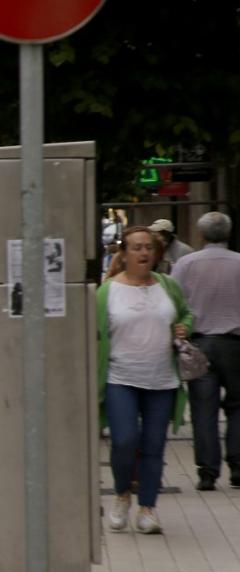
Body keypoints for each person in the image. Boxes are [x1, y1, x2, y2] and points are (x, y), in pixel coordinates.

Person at [98, 226, 193, 535]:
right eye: (136, 248)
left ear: (156, 254)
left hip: (161, 380)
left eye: (148, 248)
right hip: (120, 378)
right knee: (125, 441)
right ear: (123, 254)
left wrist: (183, 328)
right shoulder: (107, 290)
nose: (143, 253)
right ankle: (123, 494)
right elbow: (95, 334)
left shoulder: (168, 285)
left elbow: (185, 315)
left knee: (154, 446)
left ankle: (147, 509)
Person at [172, 211, 240, 490]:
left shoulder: (186, 264)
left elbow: (174, 300)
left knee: (203, 409)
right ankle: (238, 467)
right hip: (235, 344)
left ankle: (207, 472)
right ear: (229, 233)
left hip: (199, 343)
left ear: (200, 236)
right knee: (238, 407)